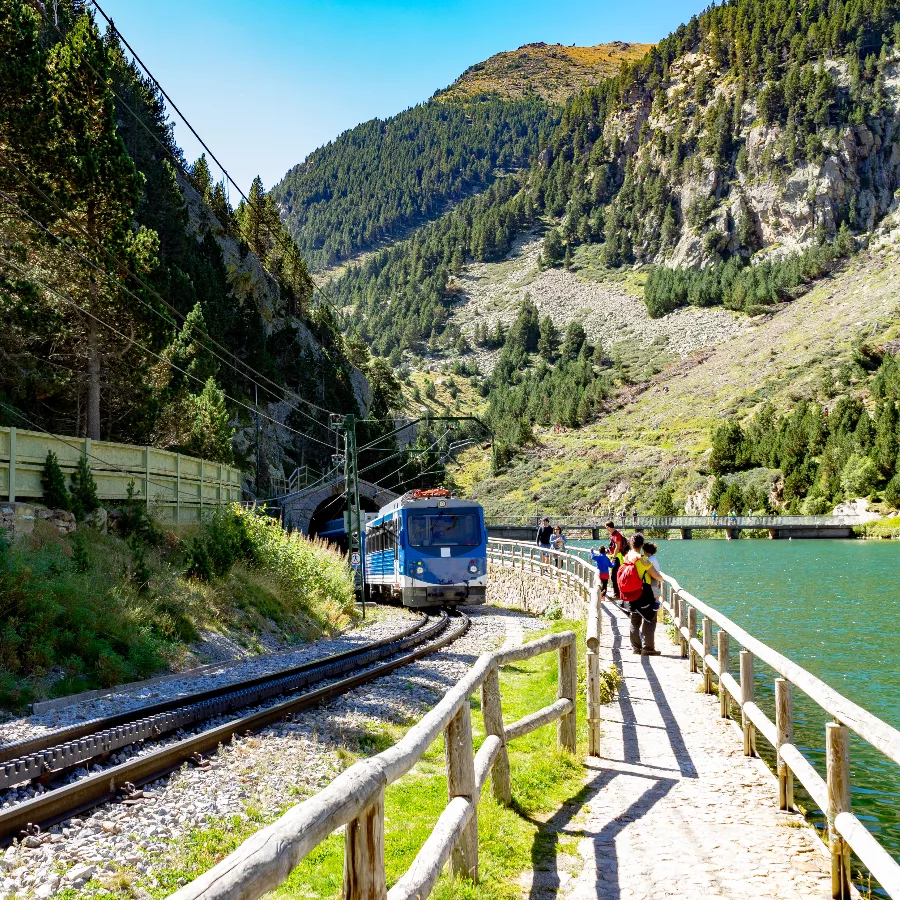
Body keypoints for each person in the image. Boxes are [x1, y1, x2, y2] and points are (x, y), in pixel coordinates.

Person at [621, 533, 662, 655]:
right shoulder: (642, 559)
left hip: (630, 592)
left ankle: (636, 648)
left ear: (631, 543)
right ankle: (648, 648)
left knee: (635, 619)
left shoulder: (627, 556)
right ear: (642, 544)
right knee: (650, 619)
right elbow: (656, 576)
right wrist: (661, 579)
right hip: (643, 592)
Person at [604, 520, 630, 600]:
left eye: (606, 527)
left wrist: (614, 558)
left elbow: (617, 547)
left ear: (608, 527)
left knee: (614, 576)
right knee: (614, 576)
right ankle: (617, 593)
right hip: (615, 557)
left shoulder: (616, 535)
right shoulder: (614, 534)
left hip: (617, 558)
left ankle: (617, 594)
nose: (606, 529)